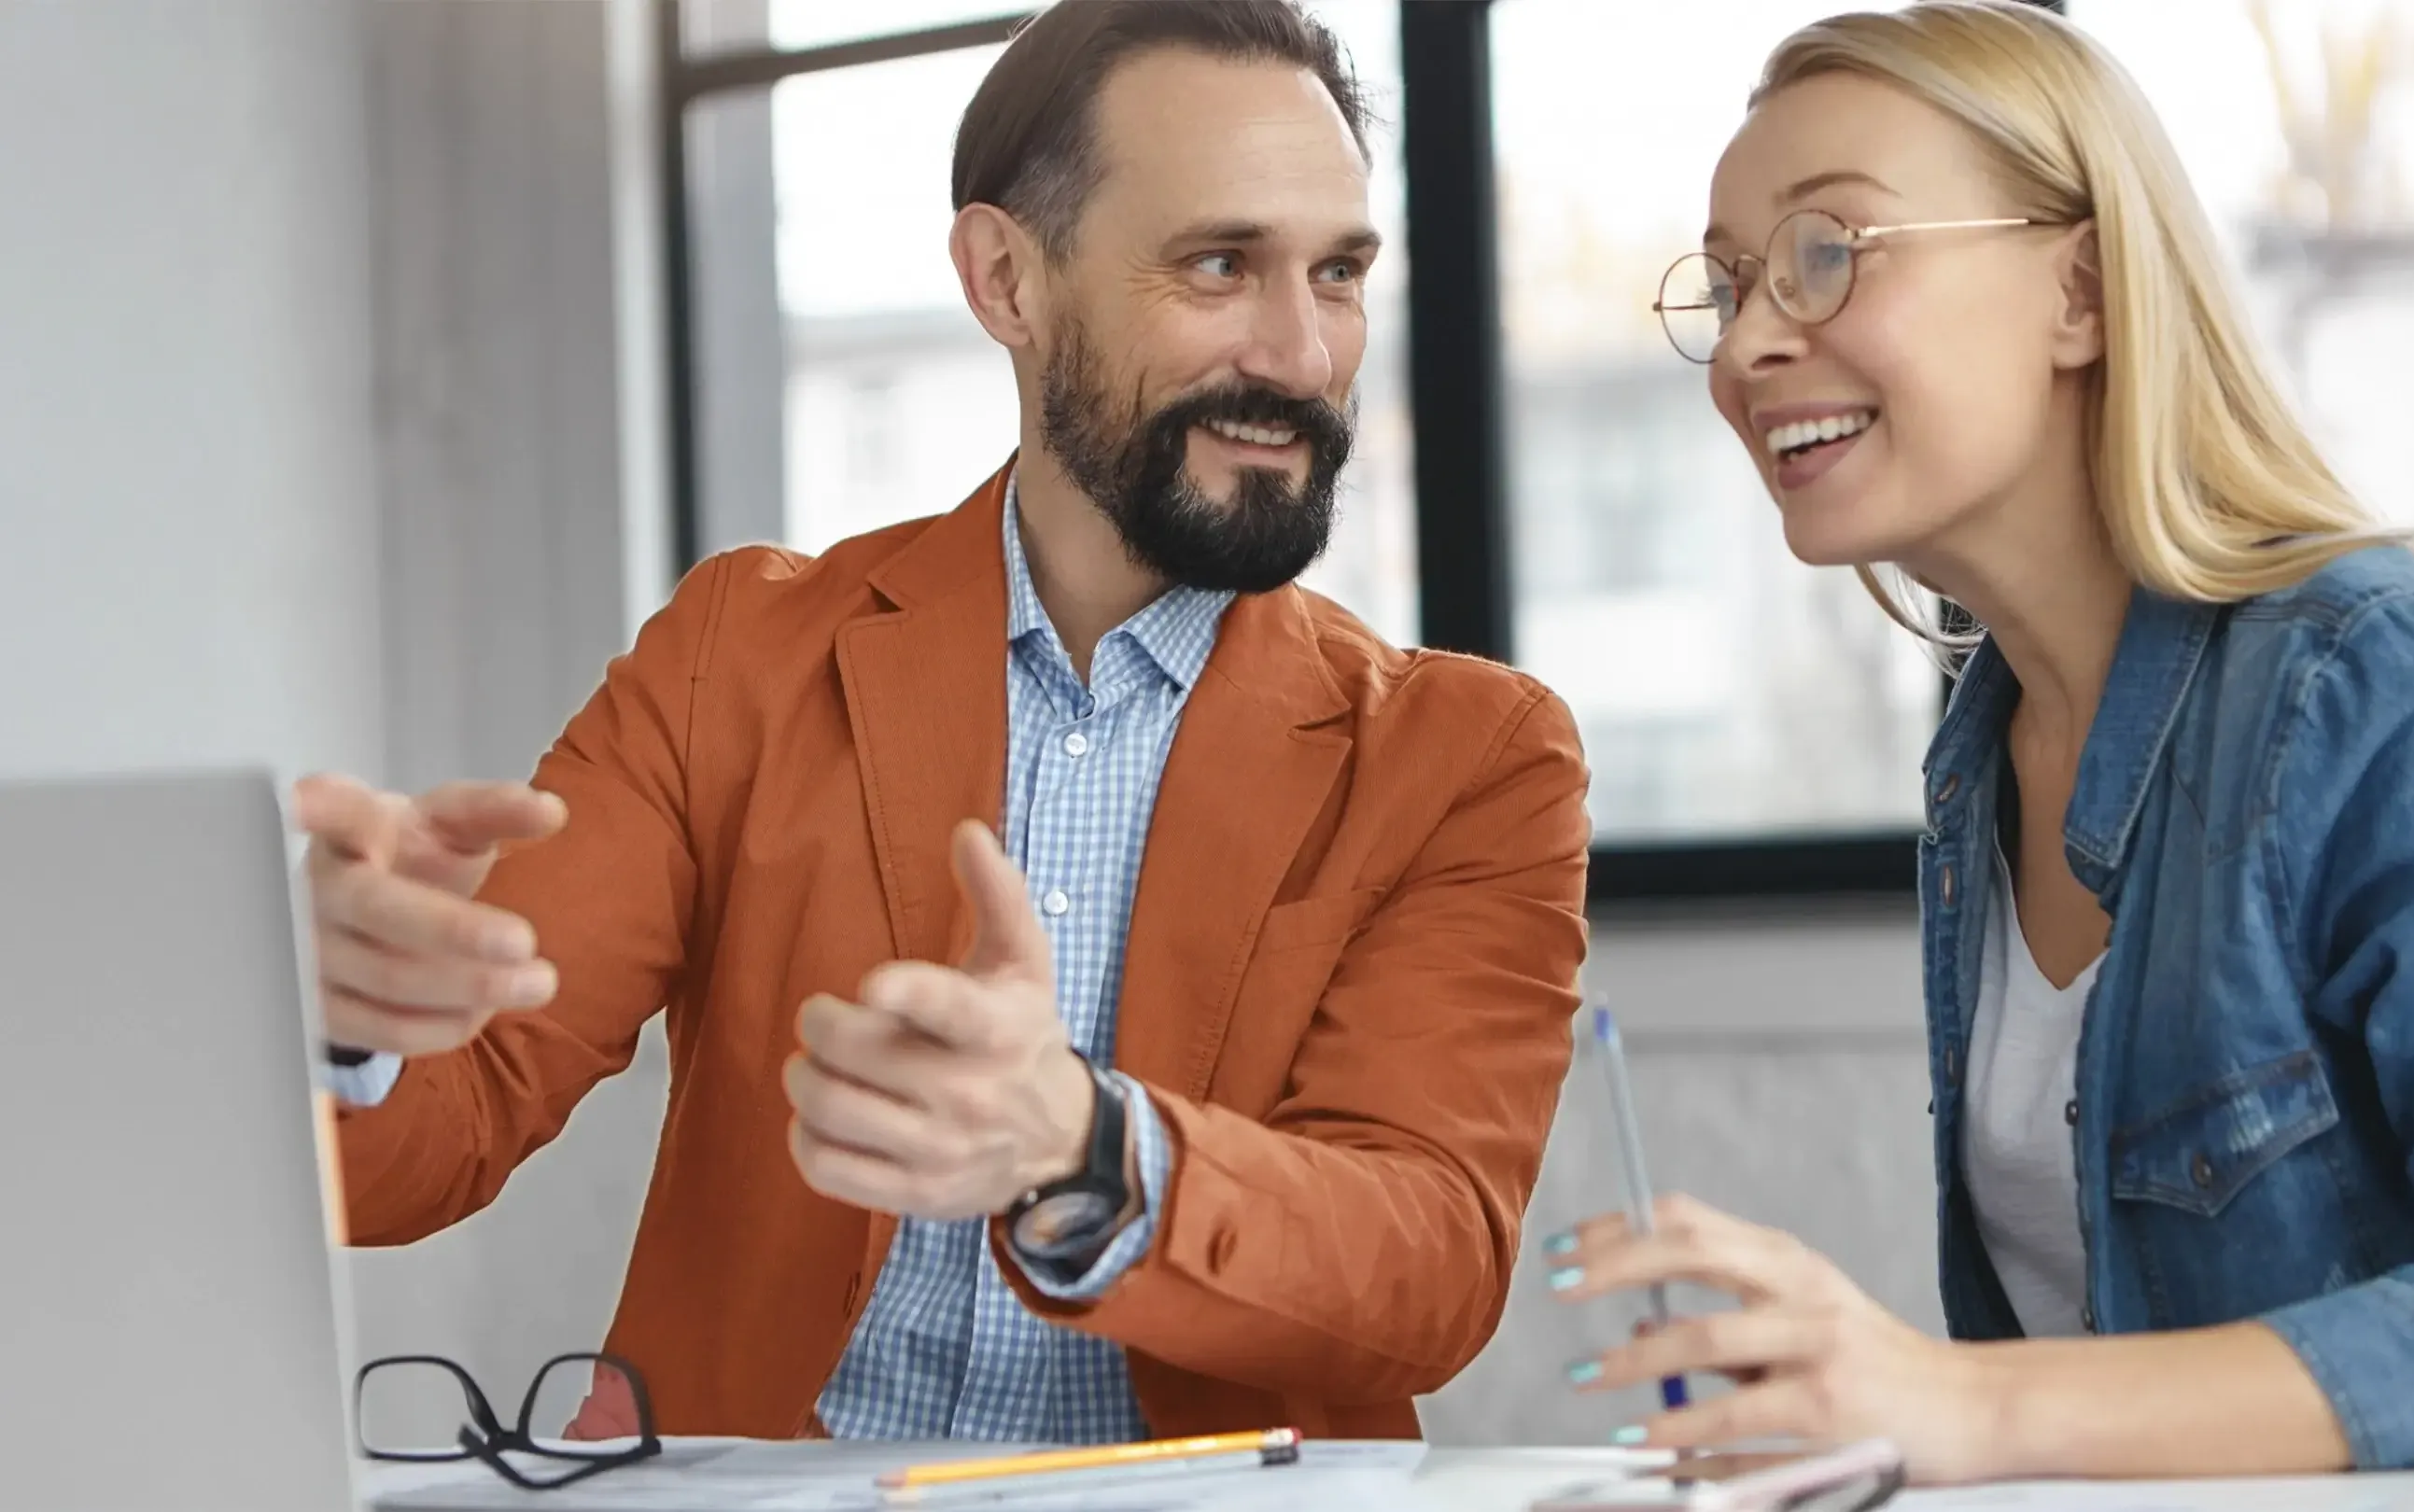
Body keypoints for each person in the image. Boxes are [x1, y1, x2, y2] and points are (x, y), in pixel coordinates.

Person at [299, 0, 1590, 1445]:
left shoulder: (1472, 757)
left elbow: (1423, 1271)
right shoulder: (741, 657)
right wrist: (348, 1021)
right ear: (1005, 280)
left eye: (1338, 273)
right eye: (1221, 264)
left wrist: (1083, 1147)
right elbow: (441, 1129)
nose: (1301, 352)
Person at [1546, 0, 2414, 1479]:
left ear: (2080, 291)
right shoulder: (1986, 764)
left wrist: (1961, 1410)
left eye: (1829, 253)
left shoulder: (2403, 689)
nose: (1753, 340)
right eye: (1727, 283)